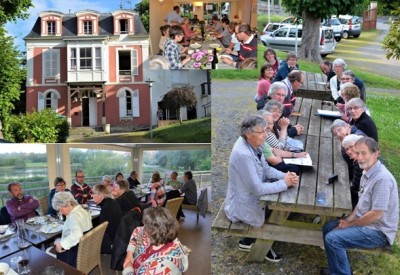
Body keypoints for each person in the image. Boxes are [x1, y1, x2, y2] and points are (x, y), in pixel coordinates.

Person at [224, 115, 299, 262]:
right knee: (281, 207)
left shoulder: (253, 144)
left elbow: (266, 169)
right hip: (243, 204)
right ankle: (259, 242)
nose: (266, 135)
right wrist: (284, 183)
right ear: (248, 134)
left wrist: (285, 175)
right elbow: (258, 189)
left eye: (266, 130)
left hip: (250, 195)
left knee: (285, 201)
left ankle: (252, 240)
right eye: (262, 132)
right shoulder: (243, 154)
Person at [321, 137, 398, 275]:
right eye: (357, 153)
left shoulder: (382, 179)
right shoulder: (367, 171)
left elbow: (376, 214)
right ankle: (336, 270)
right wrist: (349, 220)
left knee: (333, 239)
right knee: (328, 227)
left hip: (379, 231)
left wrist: (350, 225)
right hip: (367, 224)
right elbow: (361, 204)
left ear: (376, 153)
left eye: (364, 153)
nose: (359, 158)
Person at [123, 207, 188, 274]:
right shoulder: (161, 237)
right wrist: (129, 253)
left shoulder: (161, 265)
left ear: (153, 231)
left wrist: (127, 268)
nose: (143, 227)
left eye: (145, 226)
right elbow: (138, 230)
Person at [257, 110, 306, 175]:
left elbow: (275, 150)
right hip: (264, 167)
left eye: (280, 111)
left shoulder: (266, 132)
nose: (277, 114)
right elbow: (277, 155)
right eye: (274, 110)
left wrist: (295, 155)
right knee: (295, 168)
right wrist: (285, 129)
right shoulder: (263, 136)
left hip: (269, 160)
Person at [52, 191, 92, 267]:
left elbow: (77, 234)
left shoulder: (73, 216)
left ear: (69, 203)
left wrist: (61, 244)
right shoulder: (82, 210)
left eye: (61, 209)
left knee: (55, 246)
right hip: (86, 248)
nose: (61, 212)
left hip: (75, 253)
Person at [92, 184, 123, 254]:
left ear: (100, 195)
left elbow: (102, 229)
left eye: (93, 193)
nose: (91, 196)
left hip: (110, 240)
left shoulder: (107, 207)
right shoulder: (111, 202)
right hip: (116, 235)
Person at [341, 134, 364, 209]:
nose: (349, 151)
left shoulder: (361, 163)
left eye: (351, 146)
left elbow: (355, 188)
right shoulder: (358, 160)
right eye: (347, 149)